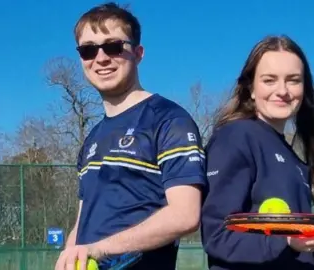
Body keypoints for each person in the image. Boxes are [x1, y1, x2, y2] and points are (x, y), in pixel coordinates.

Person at [54, 3, 207, 270]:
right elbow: (83, 222)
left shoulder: (169, 120)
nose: (100, 58)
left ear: (138, 53)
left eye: (113, 46)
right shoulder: (92, 138)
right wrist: (71, 252)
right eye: (88, 50)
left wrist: (98, 249)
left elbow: (185, 214)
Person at [200, 35, 314, 270]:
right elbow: (217, 237)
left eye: (293, 80)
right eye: (269, 80)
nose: (283, 90)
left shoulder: (292, 157)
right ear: (250, 89)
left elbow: (287, 253)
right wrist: (286, 241)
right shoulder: (236, 136)